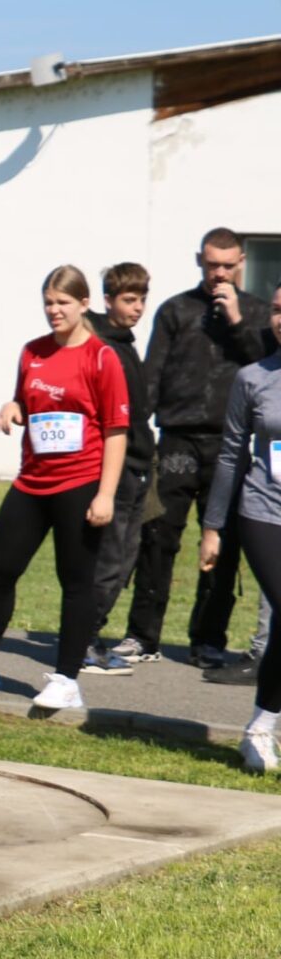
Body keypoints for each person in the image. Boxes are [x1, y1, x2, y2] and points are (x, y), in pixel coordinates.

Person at [0, 266, 129, 711]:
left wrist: (105, 494)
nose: (55, 310)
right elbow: (28, 399)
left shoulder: (101, 357)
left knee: (75, 581)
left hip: (80, 482)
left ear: (84, 304)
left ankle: (66, 680)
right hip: (31, 482)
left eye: (63, 303)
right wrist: (12, 406)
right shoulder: (32, 352)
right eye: (49, 303)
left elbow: (116, 430)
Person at [117, 228, 271, 668]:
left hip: (230, 444)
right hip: (177, 440)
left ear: (241, 263)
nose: (219, 273)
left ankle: (208, 639)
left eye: (227, 265)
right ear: (199, 261)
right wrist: (138, 442)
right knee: (156, 536)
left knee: (222, 544)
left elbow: (266, 367)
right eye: (212, 264)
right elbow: (151, 377)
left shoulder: (259, 313)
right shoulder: (176, 310)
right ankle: (142, 635)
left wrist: (237, 321)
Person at [200, 283, 281, 773]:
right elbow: (231, 456)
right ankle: (261, 729)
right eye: (276, 310)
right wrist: (213, 527)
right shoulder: (253, 378)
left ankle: (261, 725)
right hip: (263, 511)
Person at [84, 263, 153, 674]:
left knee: (125, 561)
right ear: (108, 300)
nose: (138, 307)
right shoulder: (99, 345)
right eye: (129, 299)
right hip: (116, 469)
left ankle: (90, 635)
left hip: (140, 466)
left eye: (142, 299)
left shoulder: (126, 343)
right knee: (108, 562)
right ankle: (84, 641)